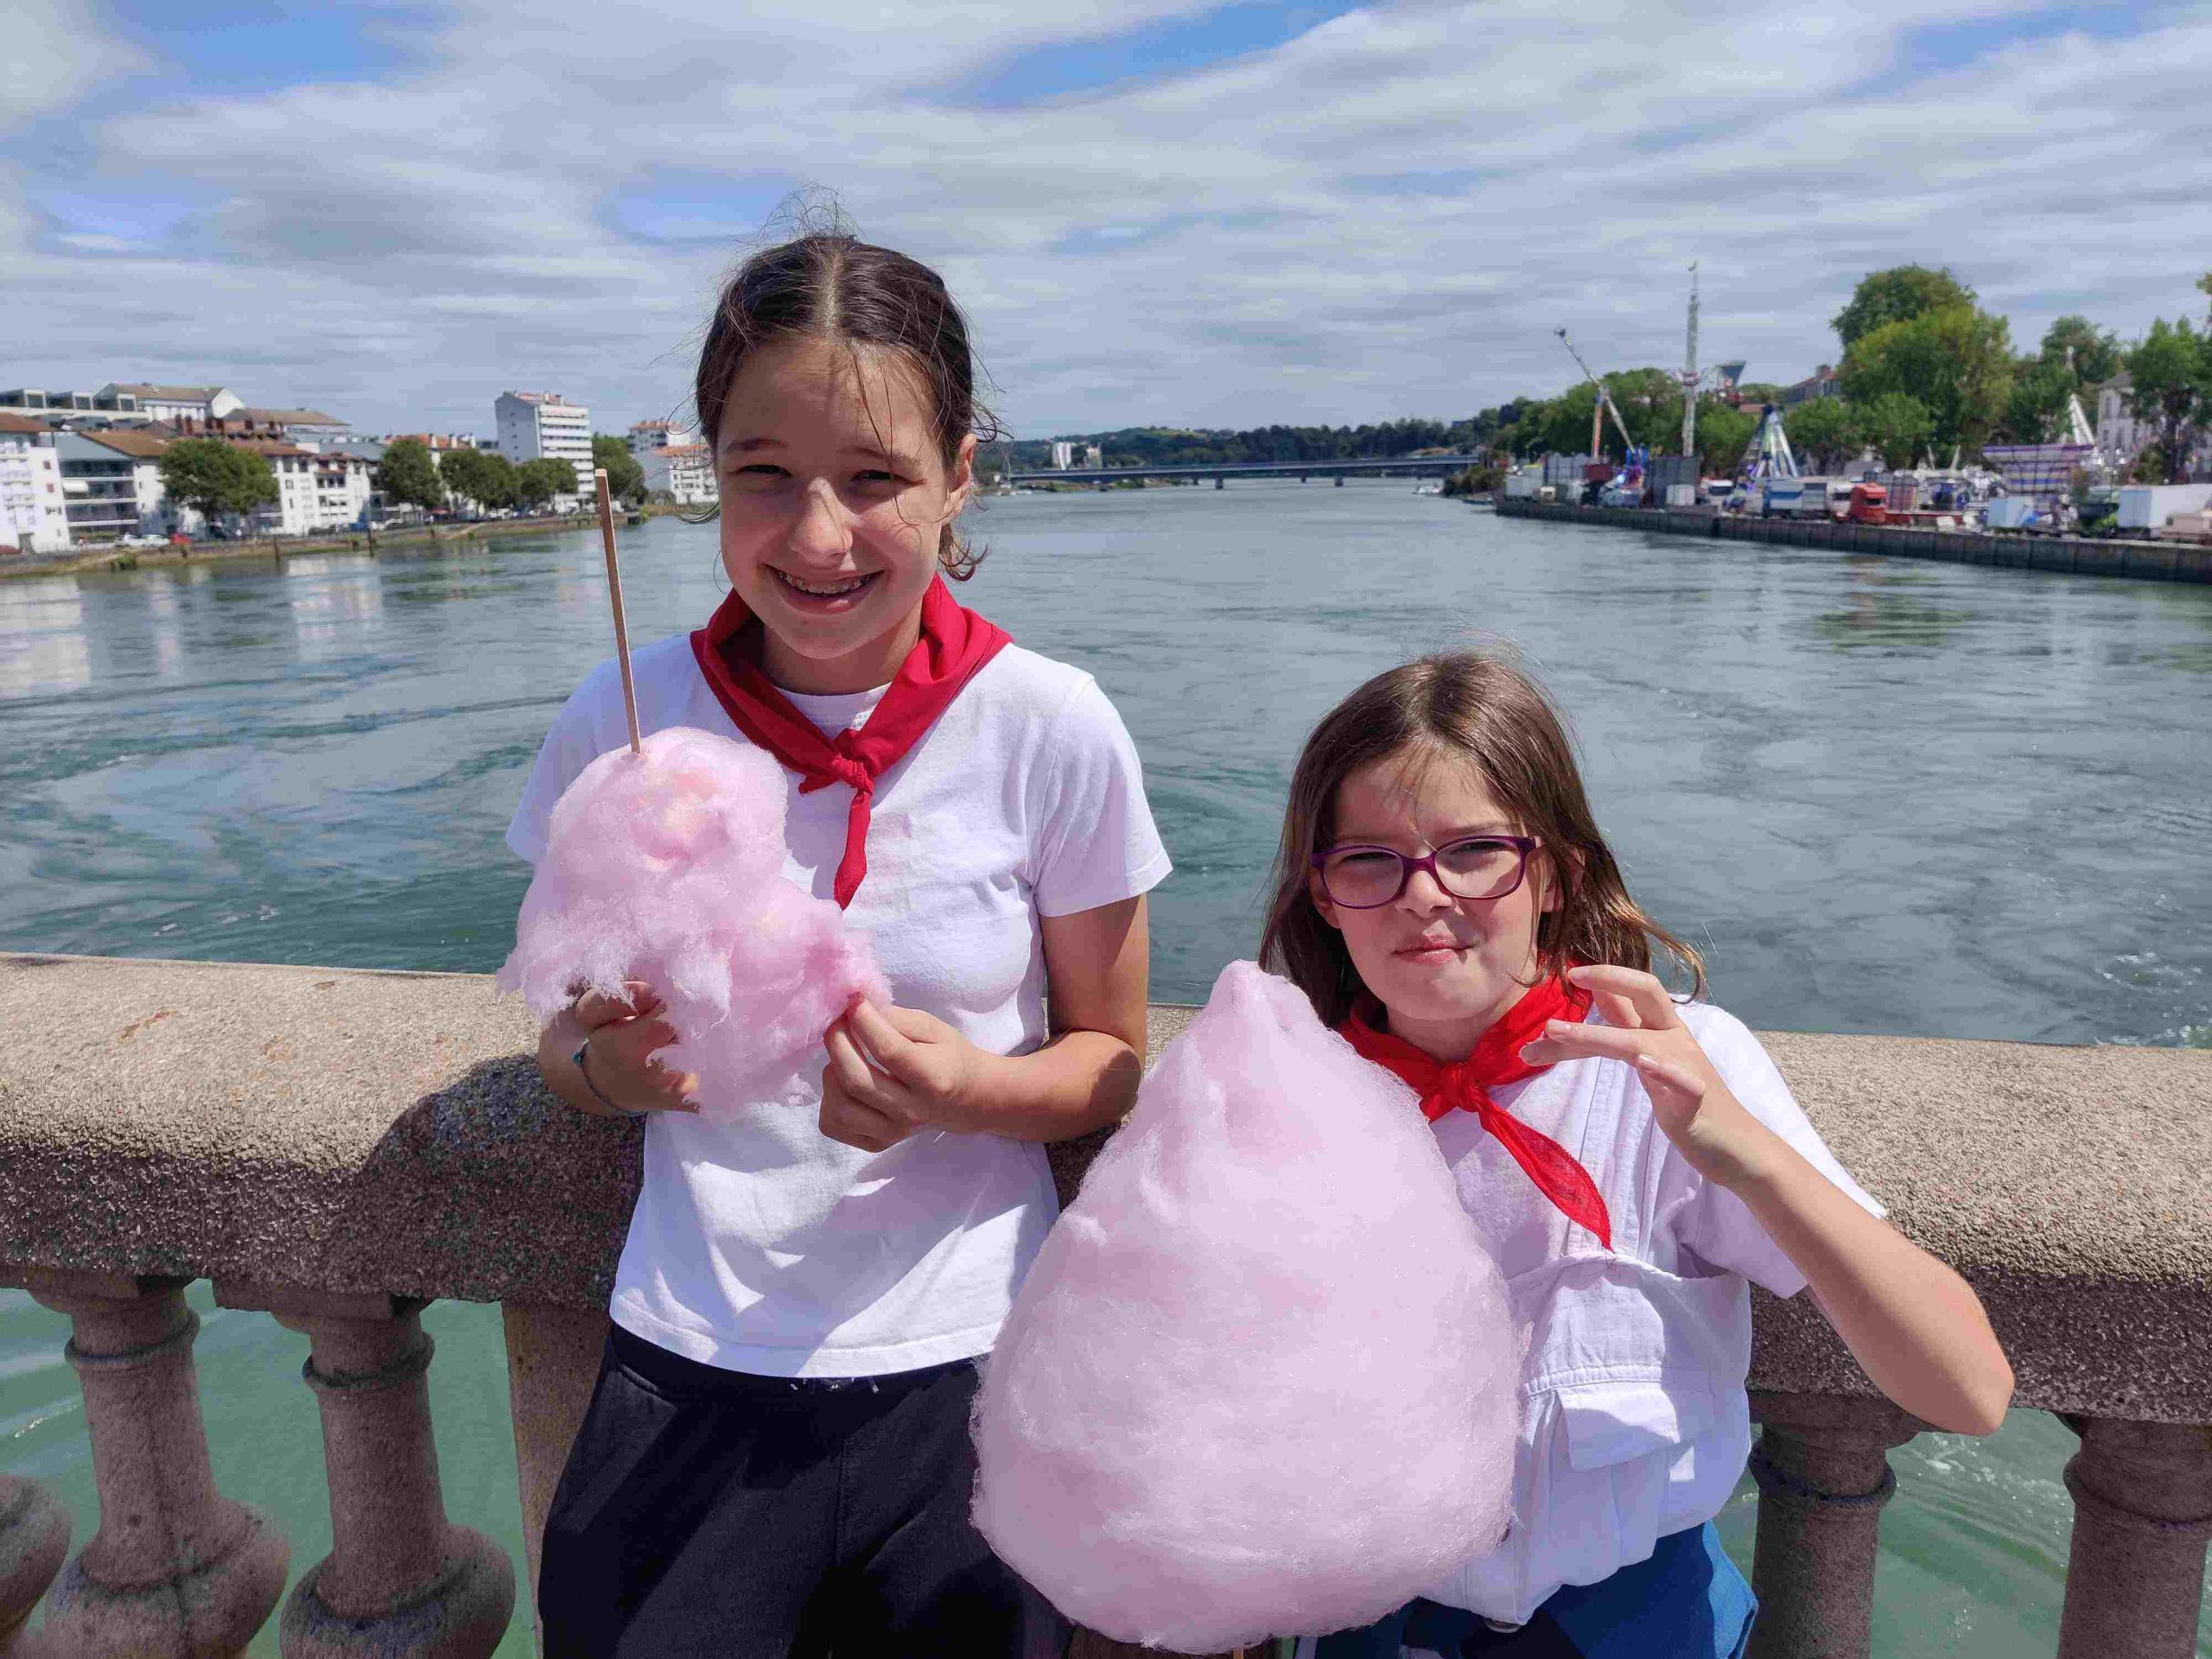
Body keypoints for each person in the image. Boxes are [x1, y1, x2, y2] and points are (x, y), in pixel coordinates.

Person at [508, 232, 1170, 1657]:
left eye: (874, 478)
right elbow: (561, 1037)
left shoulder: (1052, 728)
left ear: (959, 475)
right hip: (687, 1367)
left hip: (972, 1381)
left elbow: (1113, 1061)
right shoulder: (622, 718)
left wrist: (969, 1092)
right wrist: (610, 1072)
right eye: (765, 474)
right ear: (710, 473)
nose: (817, 537)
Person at [1258, 652, 2012, 1659]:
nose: (1424, 895)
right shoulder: (1280, 1094)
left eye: (1475, 851)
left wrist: (1747, 1158)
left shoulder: (1677, 1067)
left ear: (1556, 874)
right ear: (1321, 892)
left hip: (1638, 1628)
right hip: (1365, 1624)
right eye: (1368, 860)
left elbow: (1967, 1390)